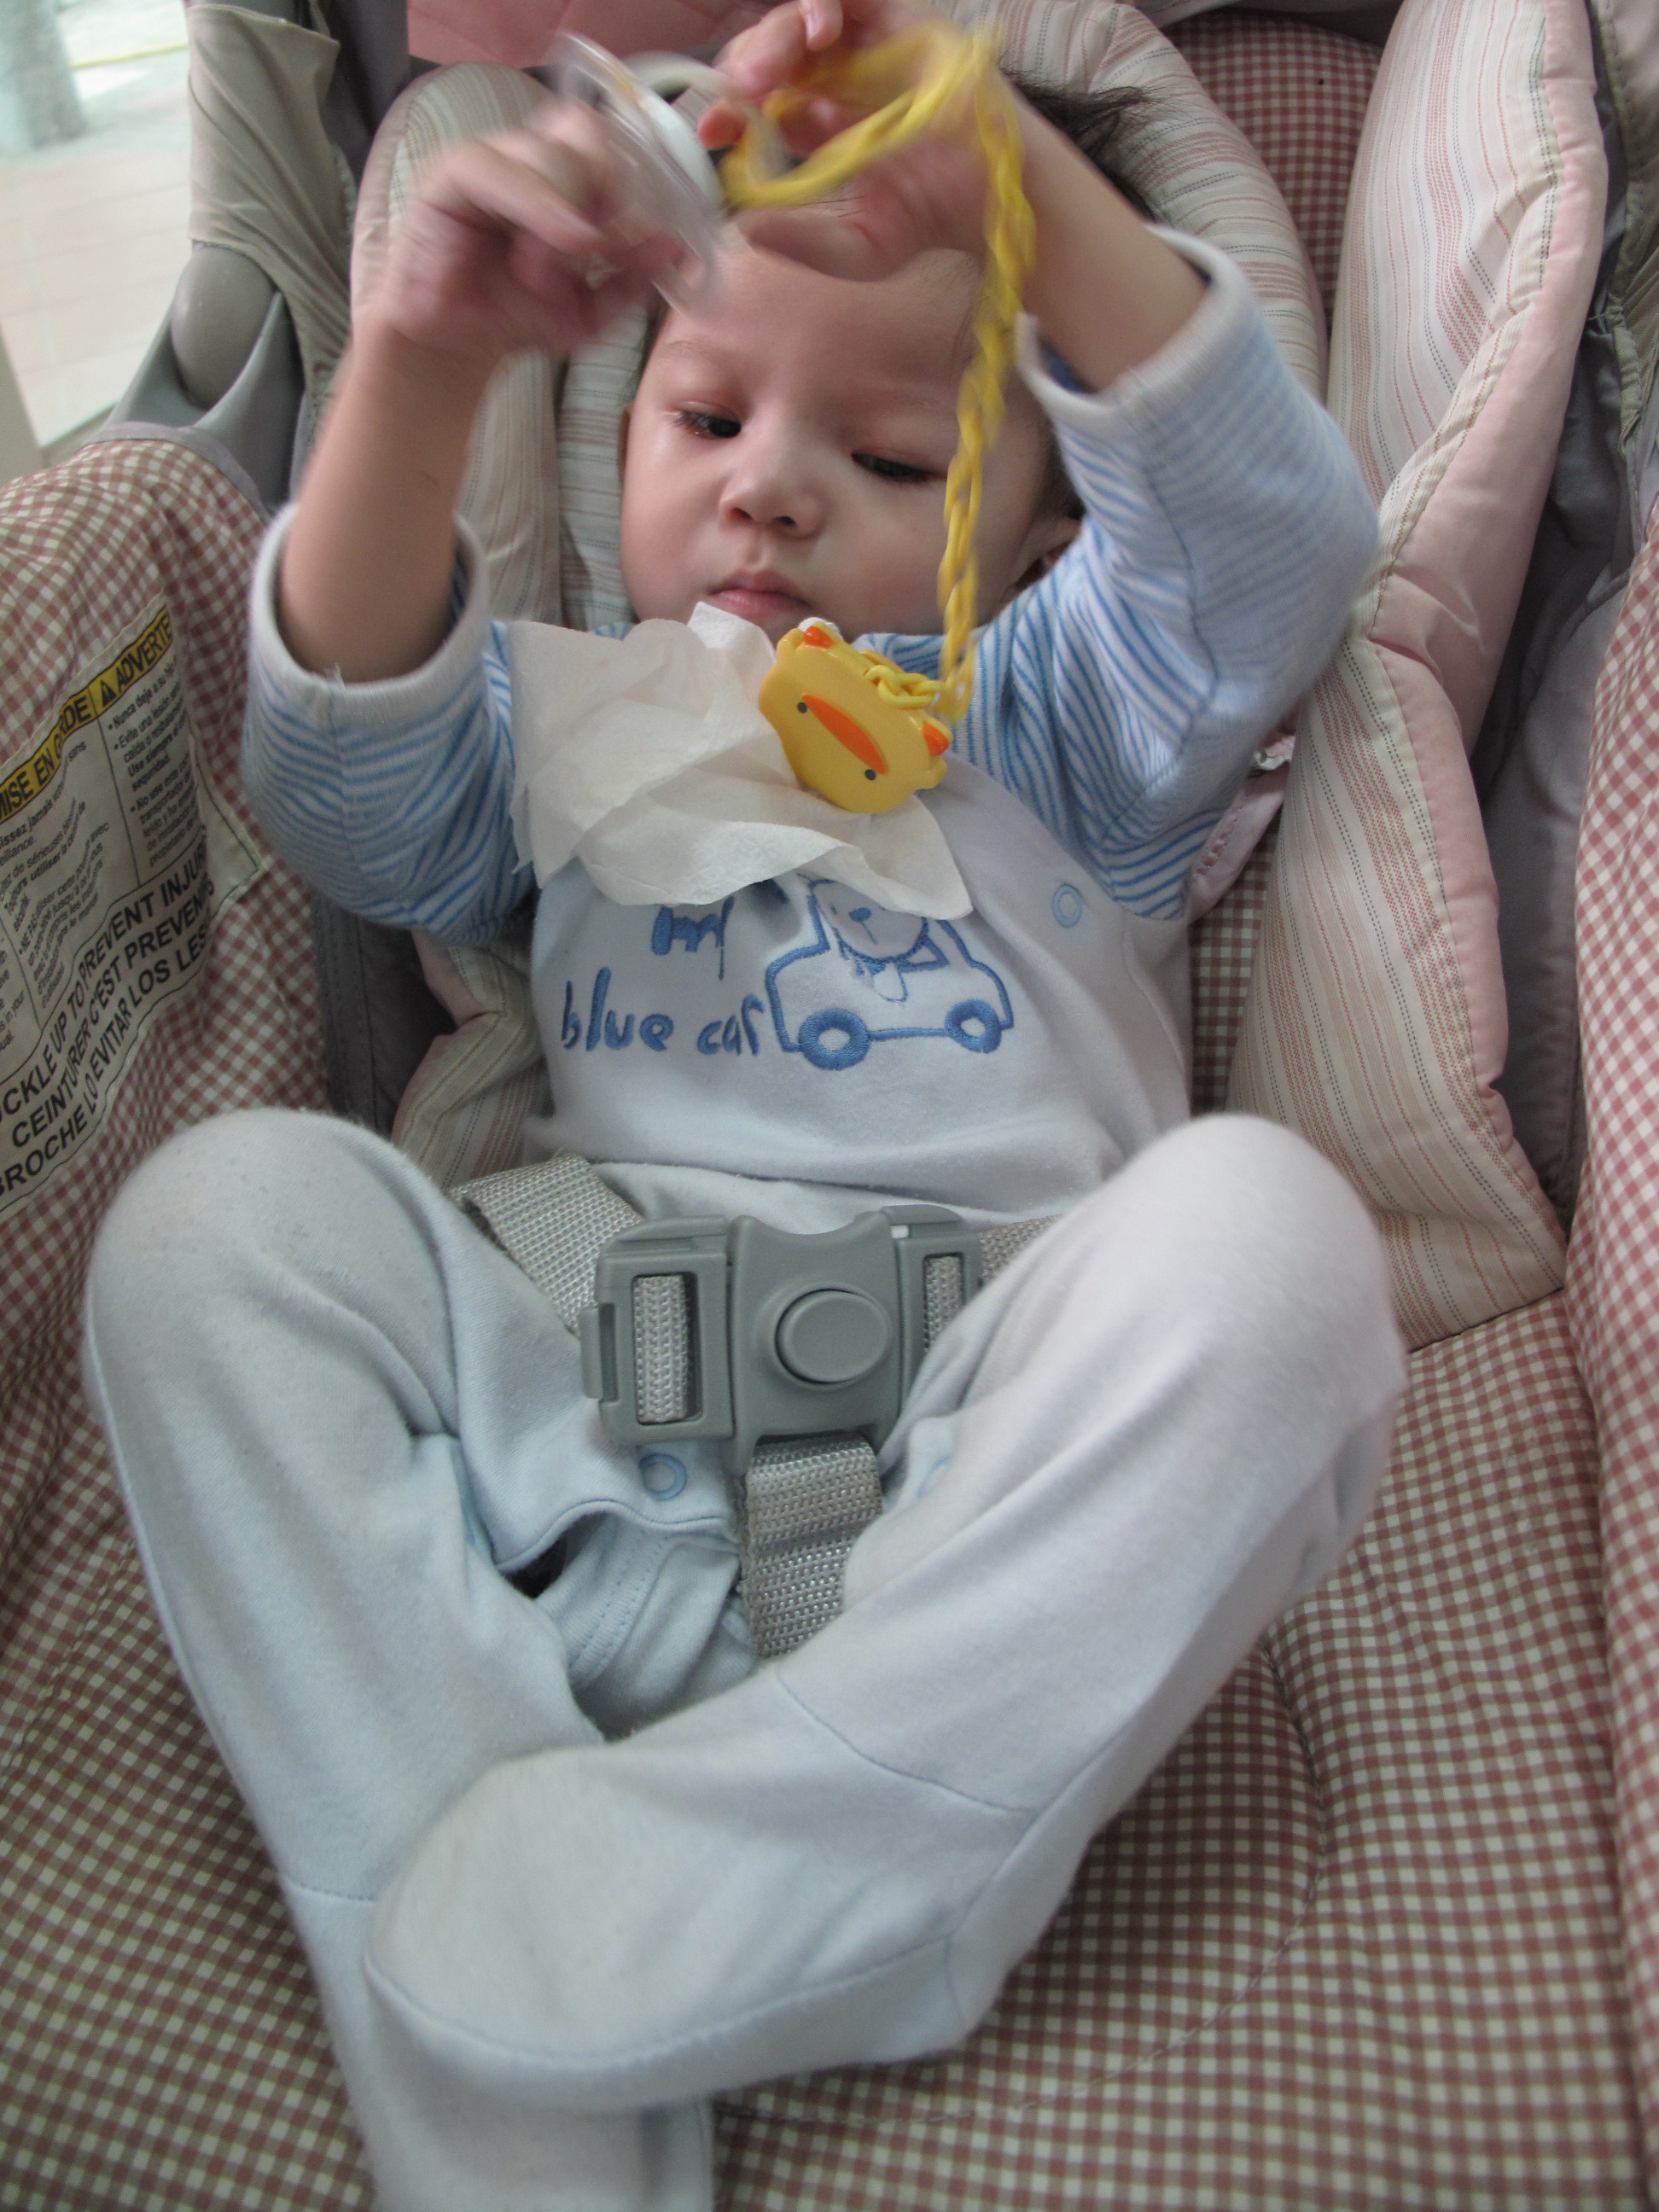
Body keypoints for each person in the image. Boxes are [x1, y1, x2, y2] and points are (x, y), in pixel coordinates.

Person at [81, 3, 1405, 2206]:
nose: (771, 486)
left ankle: (841, 1843)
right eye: (703, 416)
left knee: (1274, 1243)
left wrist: (1011, 181)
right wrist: (416, 363)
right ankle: (467, 1940)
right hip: (578, 1430)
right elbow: (337, 782)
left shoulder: (1056, 718)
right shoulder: (566, 715)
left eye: (889, 459)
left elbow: (1266, 552)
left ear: (1041, 529)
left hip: (969, 1471)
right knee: (211, 1229)